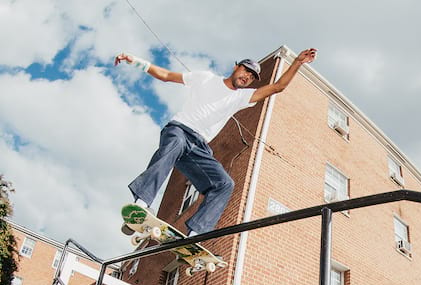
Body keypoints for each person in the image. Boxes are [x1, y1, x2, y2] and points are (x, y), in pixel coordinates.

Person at [114, 48, 317, 236]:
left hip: (199, 147)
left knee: (224, 184)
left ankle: (194, 234)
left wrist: (297, 62)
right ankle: (141, 204)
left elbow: (278, 87)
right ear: (236, 67)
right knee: (173, 146)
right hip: (179, 130)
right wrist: (135, 61)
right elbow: (166, 76)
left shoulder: (242, 97)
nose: (246, 77)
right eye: (245, 71)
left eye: (251, 77)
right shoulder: (205, 78)